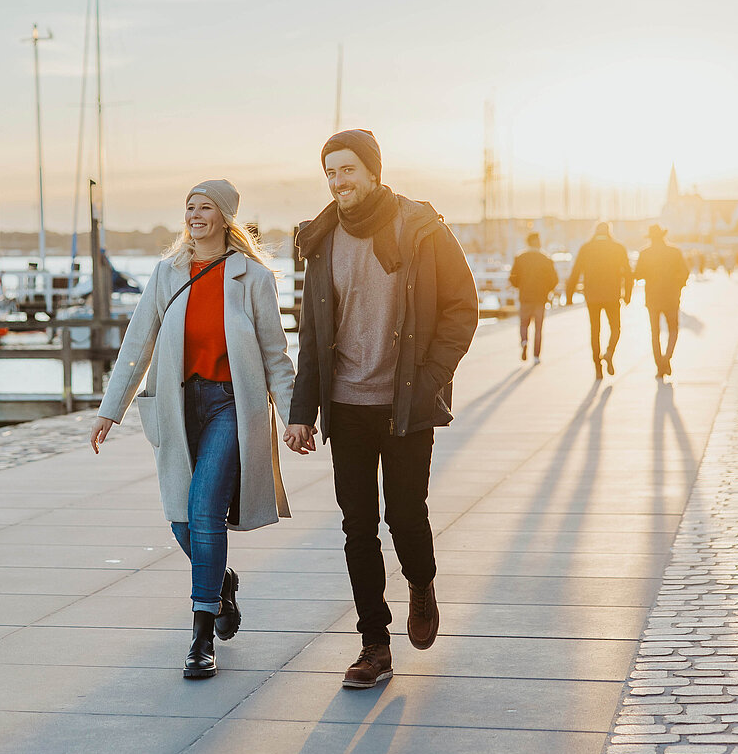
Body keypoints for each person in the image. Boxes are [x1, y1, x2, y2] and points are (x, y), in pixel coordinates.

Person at [283, 129, 478, 689]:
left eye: (347, 169)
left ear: (373, 171)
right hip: (346, 405)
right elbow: (313, 334)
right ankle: (374, 644)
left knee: (406, 516)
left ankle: (421, 583)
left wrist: (430, 379)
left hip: (405, 403)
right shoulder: (321, 238)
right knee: (358, 527)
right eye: (330, 172)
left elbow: (461, 307)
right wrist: (302, 411)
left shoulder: (420, 228)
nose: (337, 181)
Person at [90, 179, 295, 680]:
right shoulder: (167, 274)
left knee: (204, 511)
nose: (195, 215)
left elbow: (275, 355)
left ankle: (202, 635)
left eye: (205, 208)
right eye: (190, 207)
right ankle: (220, 579)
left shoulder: (252, 277)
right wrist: (110, 410)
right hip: (178, 408)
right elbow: (137, 345)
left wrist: (294, 417)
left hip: (230, 405)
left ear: (225, 217)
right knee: (181, 520)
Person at [565, 221, 633, 380]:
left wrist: (569, 295)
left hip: (592, 296)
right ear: (609, 231)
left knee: (595, 330)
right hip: (612, 294)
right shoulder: (618, 248)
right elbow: (628, 273)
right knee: (616, 328)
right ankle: (609, 353)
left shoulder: (586, 248)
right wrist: (627, 295)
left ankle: (597, 368)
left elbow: (576, 272)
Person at [633, 225, 690, 379]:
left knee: (655, 333)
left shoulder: (645, 253)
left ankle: (660, 365)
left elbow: (638, 275)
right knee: (673, 329)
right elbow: (685, 272)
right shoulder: (675, 251)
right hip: (671, 297)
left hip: (653, 298)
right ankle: (667, 359)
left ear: (650, 238)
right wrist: (678, 286)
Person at [509, 232, 558, 364]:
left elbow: (512, 277)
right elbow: (554, 279)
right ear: (539, 243)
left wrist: (520, 286)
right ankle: (536, 356)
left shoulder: (520, 258)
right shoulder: (546, 258)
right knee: (538, 328)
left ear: (528, 242)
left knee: (524, 324)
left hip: (525, 297)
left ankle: (524, 341)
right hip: (540, 298)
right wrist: (546, 290)